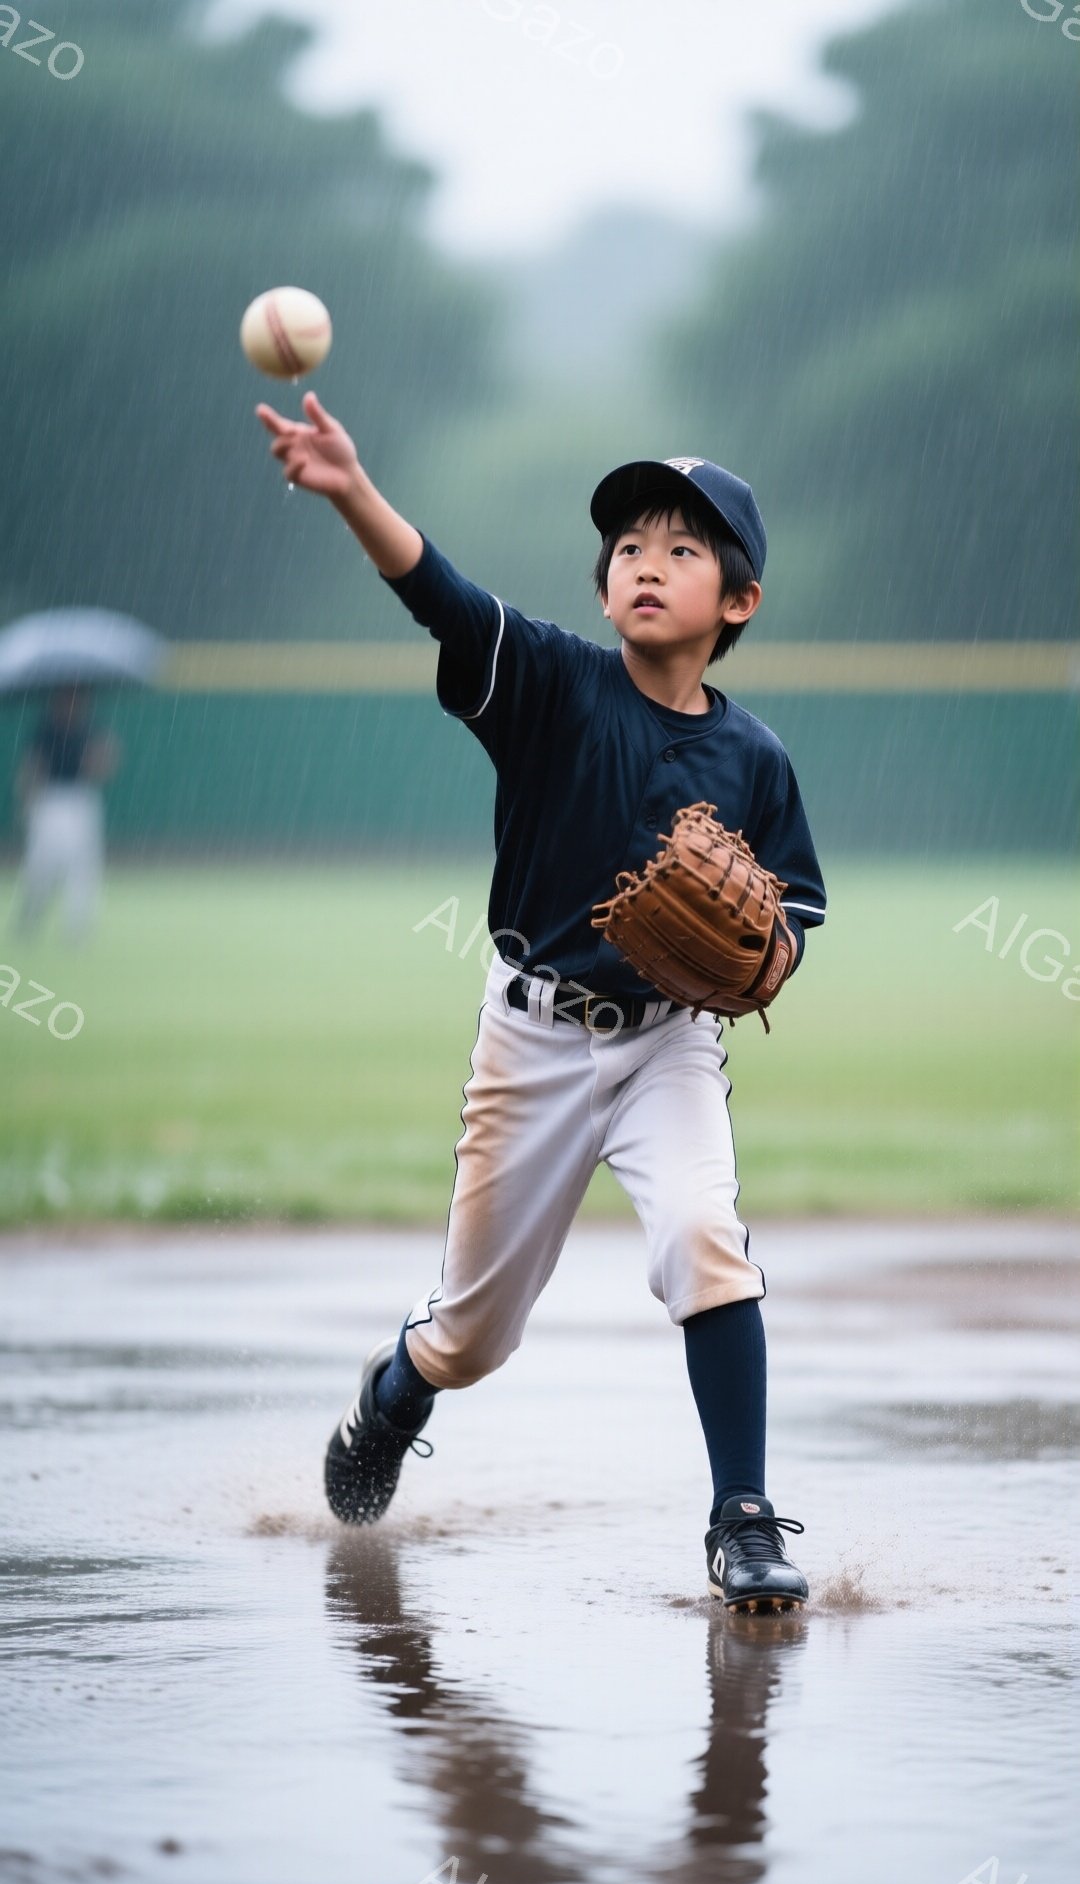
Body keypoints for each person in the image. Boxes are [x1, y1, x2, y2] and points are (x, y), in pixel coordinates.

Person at [256, 393, 828, 1612]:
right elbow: (443, 598)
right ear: (604, 585)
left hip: (670, 1047)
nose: (647, 564)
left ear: (739, 601)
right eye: (629, 547)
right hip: (532, 1039)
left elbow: (794, 916)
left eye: (683, 548)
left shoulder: (756, 759)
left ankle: (741, 1519)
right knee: (473, 1336)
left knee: (704, 1239)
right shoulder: (554, 683)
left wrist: (765, 952)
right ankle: (395, 1394)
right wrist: (352, 489)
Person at [11, 684, 121, 944]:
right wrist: (27, 801)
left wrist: (104, 754)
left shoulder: (89, 729)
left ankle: (77, 928)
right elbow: (32, 767)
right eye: (66, 698)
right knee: (42, 865)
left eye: (76, 699)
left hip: (80, 798)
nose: (72, 703)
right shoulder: (45, 730)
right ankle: (29, 919)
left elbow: (102, 767)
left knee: (83, 866)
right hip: (49, 800)